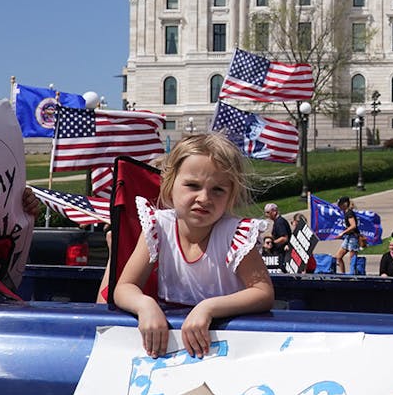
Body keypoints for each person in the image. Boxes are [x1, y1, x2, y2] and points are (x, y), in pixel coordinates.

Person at [113, 132, 274, 358]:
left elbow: (263, 292)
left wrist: (208, 308)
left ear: (230, 196)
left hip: (227, 344)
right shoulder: (159, 226)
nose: (204, 197)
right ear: (170, 186)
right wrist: (144, 305)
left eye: (217, 189)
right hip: (170, 345)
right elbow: (124, 288)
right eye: (192, 185)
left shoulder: (235, 234)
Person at [333, 197, 360, 274]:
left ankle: (353, 275)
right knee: (338, 257)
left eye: (340, 205)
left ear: (345, 204)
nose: (339, 207)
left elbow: (353, 225)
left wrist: (342, 233)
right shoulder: (346, 213)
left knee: (352, 259)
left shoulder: (349, 213)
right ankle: (343, 274)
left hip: (353, 238)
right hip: (348, 237)